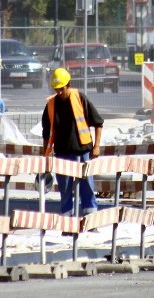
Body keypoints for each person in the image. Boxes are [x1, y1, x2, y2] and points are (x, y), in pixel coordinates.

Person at [41, 68, 104, 216]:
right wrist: (46, 156)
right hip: (62, 153)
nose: (59, 92)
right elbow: (46, 133)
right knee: (65, 189)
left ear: (68, 85)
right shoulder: (51, 105)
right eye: (56, 89)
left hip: (83, 152)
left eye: (61, 89)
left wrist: (97, 147)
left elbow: (98, 123)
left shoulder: (80, 98)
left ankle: (90, 219)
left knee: (87, 187)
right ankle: (67, 221)